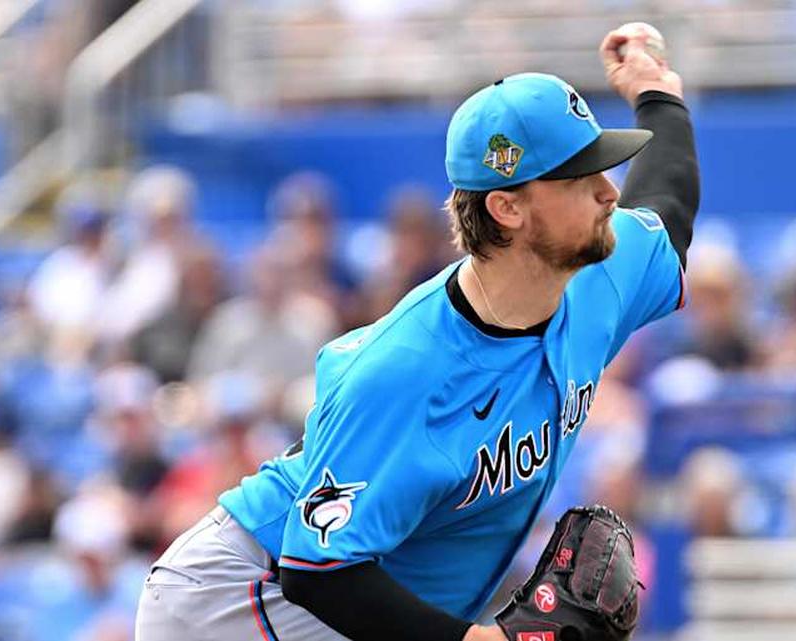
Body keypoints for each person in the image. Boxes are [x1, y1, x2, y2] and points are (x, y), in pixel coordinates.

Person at [135, 24, 698, 641]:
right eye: (577, 179)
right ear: (506, 208)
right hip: (244, 598)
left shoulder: (593, 277)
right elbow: (319, 570)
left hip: (353, 586)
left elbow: (666, 212)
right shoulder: (404, 370)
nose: (607, 192)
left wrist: (657, 93)